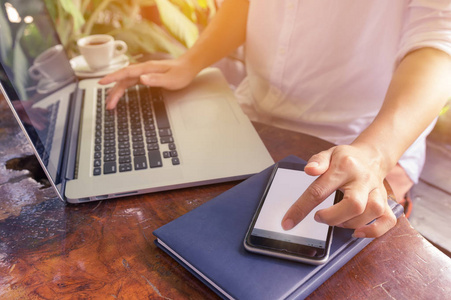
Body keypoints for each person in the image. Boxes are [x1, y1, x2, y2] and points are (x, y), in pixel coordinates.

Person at [99, 0, 451, 239]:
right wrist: (190, 61)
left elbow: (440, 41)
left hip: (357, 142)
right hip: (252, 112)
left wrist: (376, 153)